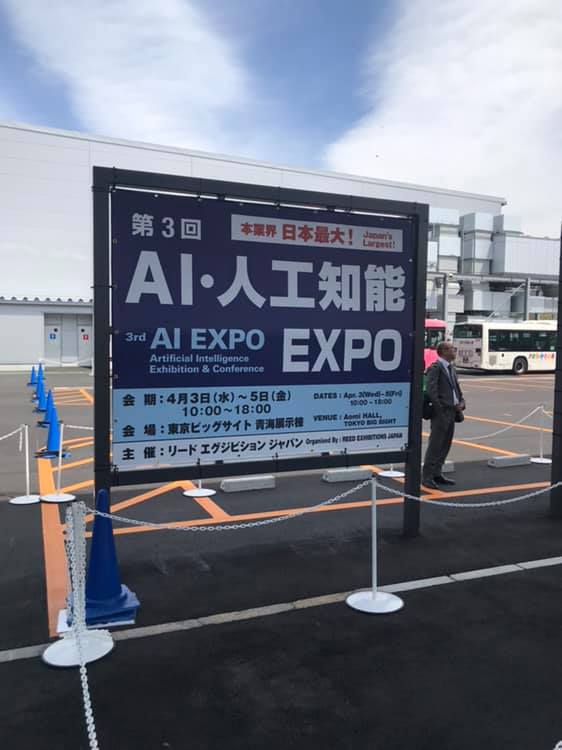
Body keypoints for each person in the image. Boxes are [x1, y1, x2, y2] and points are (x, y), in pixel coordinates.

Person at [422, 340, 466, 490]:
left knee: (446, 444)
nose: (454, 351)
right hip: (441, 412)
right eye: (452, 349)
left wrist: (461, 402)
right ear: (444, 351)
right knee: (435, 444)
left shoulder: (451, 368)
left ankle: (437, 473)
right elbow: (431, 391)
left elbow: (456, 389)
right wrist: (439, 409)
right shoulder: (435, 368)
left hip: (452, 411)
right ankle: (427, 477)